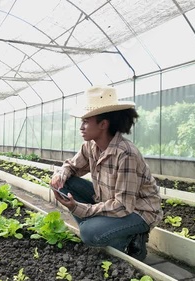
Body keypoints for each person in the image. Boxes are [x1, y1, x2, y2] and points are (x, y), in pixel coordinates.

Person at [50, 85, 162, 261]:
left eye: (86, 121)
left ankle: (133, 237)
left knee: (89, 233)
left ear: (103, 124)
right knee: (65, 184)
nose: (81, 127)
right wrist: (60, 175)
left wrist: (78, 208)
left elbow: (123, 206)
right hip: (110, 202)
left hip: (138, 211)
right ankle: (106, 232)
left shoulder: (126, 154)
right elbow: (72, 166)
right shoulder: (90, 146)